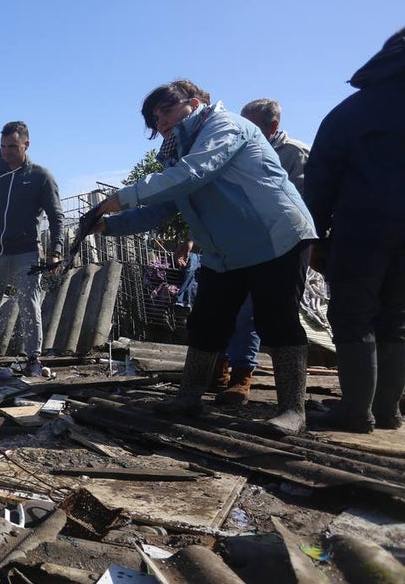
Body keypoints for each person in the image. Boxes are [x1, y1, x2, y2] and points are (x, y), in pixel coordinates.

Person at [90, 80, 317, 435]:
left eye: (165, 110)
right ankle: (189, 396)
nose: (159, 121)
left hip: (275, 237)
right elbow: (164, 207)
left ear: (193, 103)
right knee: (207, 322)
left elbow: (196, 173)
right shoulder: (176, 153)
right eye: (153, 117)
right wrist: (109, 226)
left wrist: (125, 195)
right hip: (225, 250)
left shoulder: (224, 126)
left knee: (278, 322)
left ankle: (292, 410)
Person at [303, 28, 405, 433]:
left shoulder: (352, 112)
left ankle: (356, 411)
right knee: (397, 317)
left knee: (354, 316)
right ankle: (388, 411)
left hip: (363, 227)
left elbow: (321, 179)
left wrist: (313, 236)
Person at [202, 98, 314, 406]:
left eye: (251, 125)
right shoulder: (238, 150)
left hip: (281, 245)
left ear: (272, 126)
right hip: (244, 243)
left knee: (261, 315)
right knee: (231, 310)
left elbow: (303, 204)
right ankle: (221, 370)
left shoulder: (294, 153)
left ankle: (244, 377)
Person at [0, 121, 65, 377]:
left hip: (26, 252)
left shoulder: (40, 176)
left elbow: (56, 215)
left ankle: (33, 360)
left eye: (13, 146)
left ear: (26, 144)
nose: (6, 151)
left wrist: (56, 250)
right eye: (3, 146)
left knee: (29, 305)